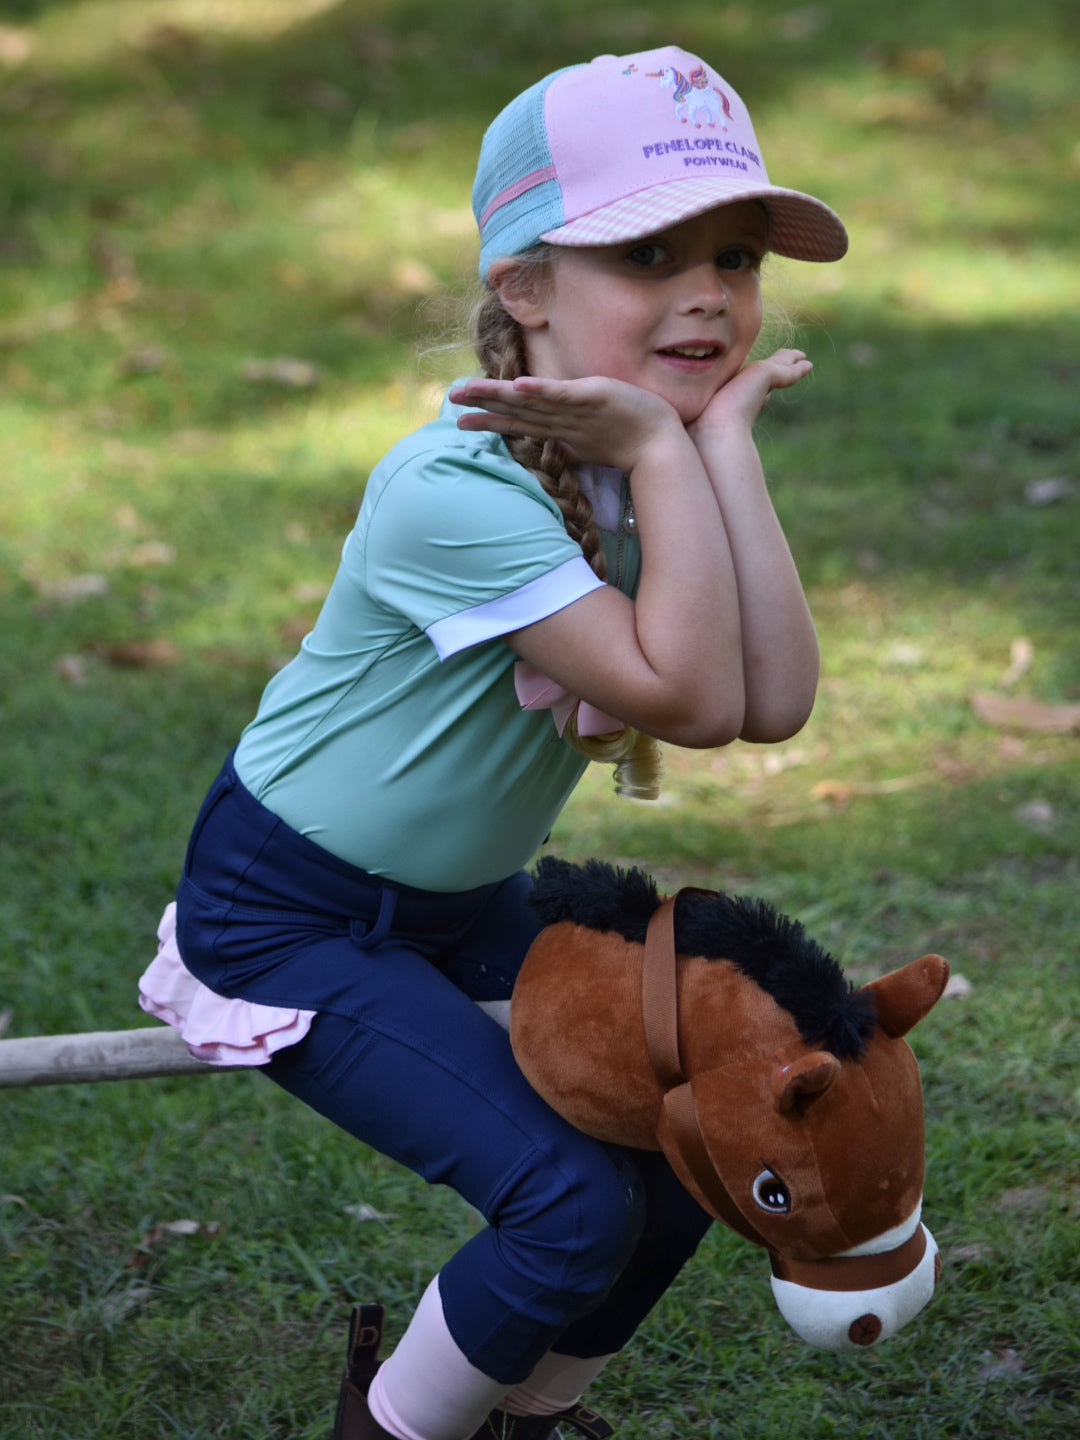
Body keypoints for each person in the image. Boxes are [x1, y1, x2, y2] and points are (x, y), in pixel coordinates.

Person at [139, 44, 847, 1440]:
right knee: (568, 1203)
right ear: (523, 287)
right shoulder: (449, 487)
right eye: (650, 253)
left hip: (461, 909)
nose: (711, 291)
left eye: (737, 255)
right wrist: (662, 451)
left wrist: (722, 448)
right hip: (292, 916)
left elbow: (774, 702)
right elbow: (693, 704)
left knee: (689, 1127)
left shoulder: (646, 455)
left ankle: (529, 1413)